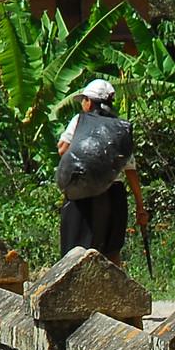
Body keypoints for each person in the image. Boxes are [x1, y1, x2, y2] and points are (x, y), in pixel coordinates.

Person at [57, 78, 148, 264]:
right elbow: (130, 170)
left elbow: (62, 149)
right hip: (115, 195)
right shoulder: (120, 128)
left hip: (83, 194)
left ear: (89, 102)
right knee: (112, 252)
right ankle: (115, 290)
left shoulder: (80, 121)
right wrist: (140, 206)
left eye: (84, 100)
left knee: (76, 253)